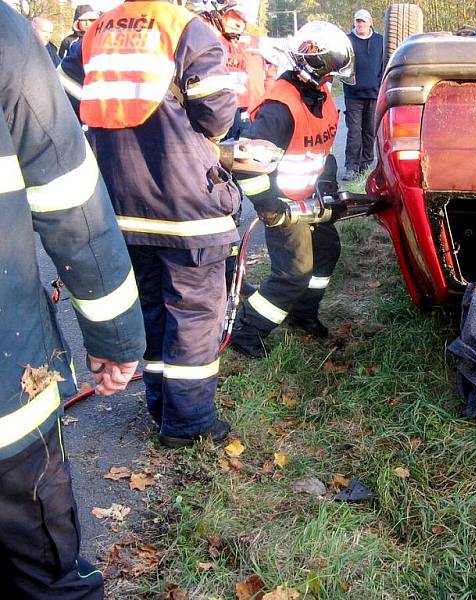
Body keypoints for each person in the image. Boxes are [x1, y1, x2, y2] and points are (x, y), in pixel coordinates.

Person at [0, 5, 146, 597]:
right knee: (47, 574)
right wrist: (116, 342)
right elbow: (73, 207)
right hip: (8, 406)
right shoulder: (6, 36)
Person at [59, 0, 241, 448]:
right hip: (184, 209)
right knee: (195, 315)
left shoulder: (95, 34)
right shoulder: (187, 29)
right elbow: (216, 116)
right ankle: (189, 425)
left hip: (119, 206)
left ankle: (162, 408)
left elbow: (65, 106)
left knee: (155, 312)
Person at [229, 20, 355, 358]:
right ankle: (247, 332)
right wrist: (271, 207)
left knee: (327, 253)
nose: (332, 81)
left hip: (312, 198)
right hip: (283, 203)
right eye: (329, 74)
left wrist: (329, 188)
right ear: (312, 66)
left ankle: (302, 315)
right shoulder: (278, 109)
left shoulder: (322, 95)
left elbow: (320, 152)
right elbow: (247, 165)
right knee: (294, 274)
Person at [342, 9, 383, 181]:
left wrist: (381, 83)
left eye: (363, 21)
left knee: (370, 131)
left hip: (374, 94)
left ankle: (366, 167)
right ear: (354, 23)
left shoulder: (380, 41)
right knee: (354, 131)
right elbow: (340, 63)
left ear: (370, 23)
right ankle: (351, 167)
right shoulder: (347, 40)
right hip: (353, 95)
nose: (360, 24)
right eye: (358, 21)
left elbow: (385, 62)